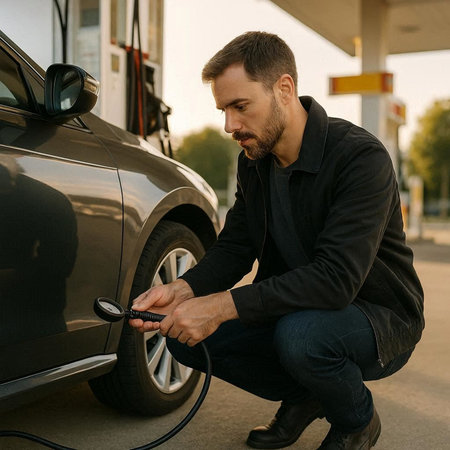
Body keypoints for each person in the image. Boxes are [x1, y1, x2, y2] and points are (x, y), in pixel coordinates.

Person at [129, 32, 424, 450]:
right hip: (297, 310)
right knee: (182, 334)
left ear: (284, 89)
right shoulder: (254, 162)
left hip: (378, 317)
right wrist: (183, 290)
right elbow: (234, 247)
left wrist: (218, 307)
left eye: (240, 106)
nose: (230, 125)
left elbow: (336, 281)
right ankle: (307, 394)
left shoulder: (360, 158)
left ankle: (357, 420)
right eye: (224, 110)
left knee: (302, 338)